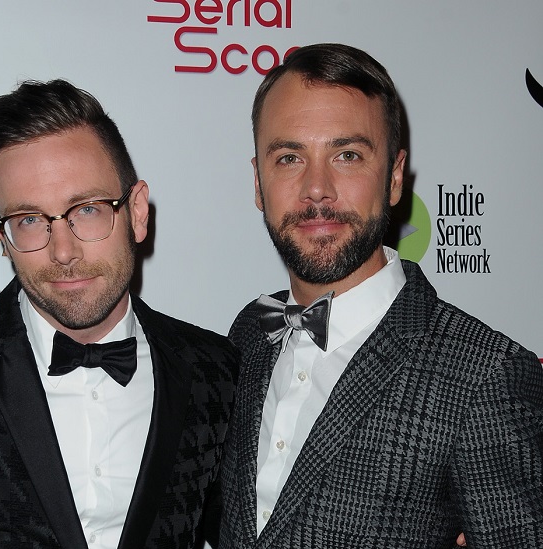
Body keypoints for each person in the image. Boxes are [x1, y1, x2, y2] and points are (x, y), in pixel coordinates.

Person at [0, 79, 238, 548]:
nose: (63, 251)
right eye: (29, 220)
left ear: (137, 212)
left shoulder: (215, 371)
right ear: (0, 232)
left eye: (88, 209)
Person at [217, 43, 543, 548]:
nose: (317, 188)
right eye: (289, 157)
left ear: (393, 176)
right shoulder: (250, 332)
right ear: (258, 182)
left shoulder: (486, 377)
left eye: (347, 155)